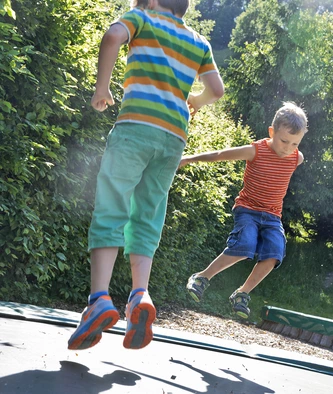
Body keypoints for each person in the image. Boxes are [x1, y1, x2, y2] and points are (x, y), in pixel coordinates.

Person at [67, 0, 224, 351]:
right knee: (149, 213)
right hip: (173, 139)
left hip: (135, 128)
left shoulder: (141, 17)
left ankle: (99, 300)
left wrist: (102, 87)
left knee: (112, 206)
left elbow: (112, 37)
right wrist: (194, 102)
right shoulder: (199, 41)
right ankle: (140, 295)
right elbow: (216, 90)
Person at [182, 102, 308, 319]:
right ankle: (202, 277)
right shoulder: (254, 150)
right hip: (247, 210)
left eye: (294, 143)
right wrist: (189, 159)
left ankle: (242, 293)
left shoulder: (297, 158)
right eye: (284, 141)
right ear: (272, 132)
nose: (288, 148)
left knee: (274, 254)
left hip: (272, 217)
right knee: (245, 244)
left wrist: (292, 148)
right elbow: (221, 154)